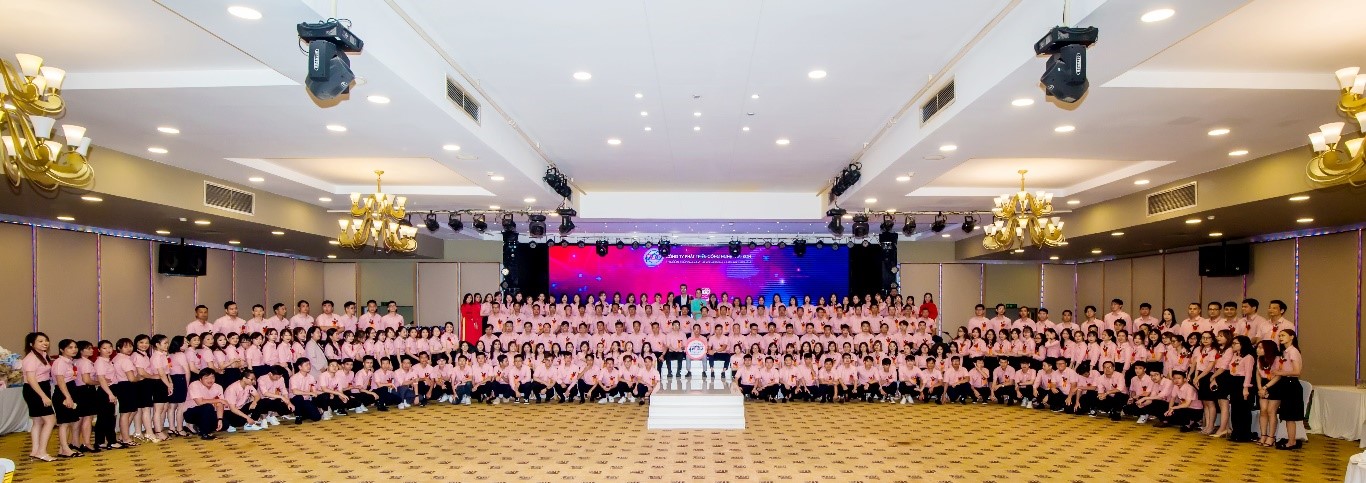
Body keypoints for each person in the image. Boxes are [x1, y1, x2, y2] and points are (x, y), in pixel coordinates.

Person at [22, 332, 56, 462]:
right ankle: (42, 451)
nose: (45, 343)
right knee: (50, 420)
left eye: (46, 340)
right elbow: (31, 379)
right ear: (32, 344)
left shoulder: (43, 355)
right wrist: (43, 396)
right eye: (40, 341)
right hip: (35, 390)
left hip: (41, 388)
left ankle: (35, 450)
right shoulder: (31, 358)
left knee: (37, 421)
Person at [184, 368, 226, 440]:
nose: (210, 380)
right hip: (191, 412)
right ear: (200, 379)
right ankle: (205, 433)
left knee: (225, 424)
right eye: (206, 378)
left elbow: (220, 404)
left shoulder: (218, 387)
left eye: (212, 377)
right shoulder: (194, 385)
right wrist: (219, 400)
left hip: (208, 413)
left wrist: (220, 419)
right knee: (207, 407)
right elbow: (200, 402)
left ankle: (199, 427)